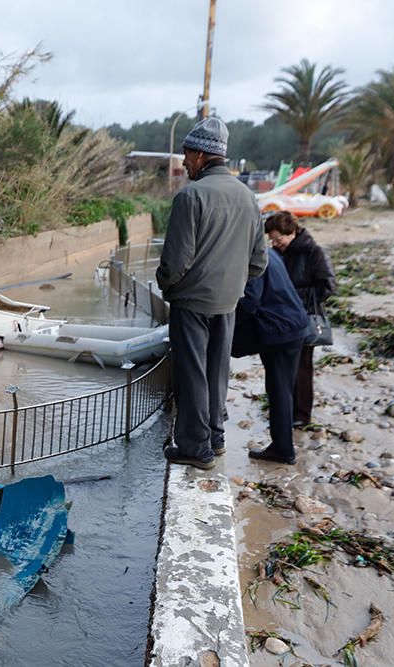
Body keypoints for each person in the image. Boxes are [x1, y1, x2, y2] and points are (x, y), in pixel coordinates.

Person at [156, 117, 269, 470]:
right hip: (227, 302)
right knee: (217, 372)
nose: (184, 163)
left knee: (191, 375)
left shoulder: (190, 197)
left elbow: (176, 261)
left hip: (191, 302)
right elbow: (259, 261)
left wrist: (166, 284)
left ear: (201, 155)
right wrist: (232, 284)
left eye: (186, 155)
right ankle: (216, 438)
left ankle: (195, 448)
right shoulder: (247, 197)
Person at [234, 248, 311, 464]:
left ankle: (283, 449)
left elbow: (249, 300)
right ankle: (283, 445)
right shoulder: (269, 252)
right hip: (294, 325)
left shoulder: (248, 256)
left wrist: (228, 323)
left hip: (279, 330)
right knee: (284, 389)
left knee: (278, 391)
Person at [264, 211, 336, 426]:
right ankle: (285, 411)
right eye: (272, 239)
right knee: (282, 368)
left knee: (302, 367)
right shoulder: (277, 253)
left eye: (279, 238)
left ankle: (302, 415)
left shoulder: (314, 252)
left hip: (303, 318)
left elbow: (328, 286)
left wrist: (294, 298)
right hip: (280, 319)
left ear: (292, 232)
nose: (275, 243)